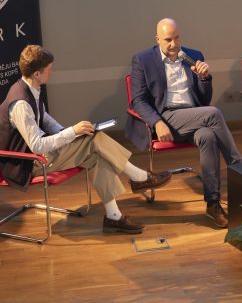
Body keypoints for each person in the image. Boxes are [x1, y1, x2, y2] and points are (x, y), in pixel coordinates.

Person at [0, 45, 171, 234]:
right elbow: (37, 146)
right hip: (26, 164)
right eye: (49, 68)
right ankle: (139, 178)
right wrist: (73, 132)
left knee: (96, 153)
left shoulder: (31, 88)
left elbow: (47, 121)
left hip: (37, 154)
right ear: (37, 74)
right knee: (94, 140)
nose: (52, 71)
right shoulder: (21, 104)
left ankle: (114, 216)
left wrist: (74, 132)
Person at [128, 18, 242, 228]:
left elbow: (204, 99)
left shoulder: (193, 56)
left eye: (177, 38)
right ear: (157, 39)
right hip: (166, 116)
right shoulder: (143, 60)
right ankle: (240, 169)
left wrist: (204, 78)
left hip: (193, 115)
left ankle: (213, 204)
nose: (174, 44)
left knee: (208, 136)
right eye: (168, 40)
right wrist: (156, 122)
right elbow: (138, 100)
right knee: (214, 113)